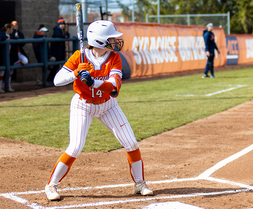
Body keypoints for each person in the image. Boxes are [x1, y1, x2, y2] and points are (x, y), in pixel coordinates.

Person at [44, 20, 153, 201]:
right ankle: (51, 186)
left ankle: (140, 183)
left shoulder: (113, 57)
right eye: (111, 38)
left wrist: (92, 81)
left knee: (131, 142)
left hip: (107, 105)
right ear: (99, 41)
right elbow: (57, 80)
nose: (115, 41)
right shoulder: (79, 57)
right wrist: (76, 73)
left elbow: (113, 85)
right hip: (83, 105)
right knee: (76, 147)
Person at [48, 18, 70, 85]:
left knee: (60, 66)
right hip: (56, 51)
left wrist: (65, 35)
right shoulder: (56, 29)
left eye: (63, 24)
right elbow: (58, 35)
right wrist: (64, 36)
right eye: (61, 24)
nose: (62, 25)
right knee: (56, 66)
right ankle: (50, 79)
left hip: (61, 51)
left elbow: (68, 35)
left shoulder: (63, 31)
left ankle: (55, 80)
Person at [9, 20, 29, 91]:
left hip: (19, 53)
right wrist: (14, 33)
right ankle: (8, 86)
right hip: (12, 53)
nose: (15, 27)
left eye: (16, 26)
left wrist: (18, 37)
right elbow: (11, 38)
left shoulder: (20, 33)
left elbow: (23, 43)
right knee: (10, 72)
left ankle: (13, 65)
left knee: (25, 61)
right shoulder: (10, 33)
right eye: (13, 26)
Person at [0, 23, 14, 93]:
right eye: (12, 29)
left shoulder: (12, 35)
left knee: (9, 70)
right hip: (1, 56)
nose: (13, 30)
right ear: (8, 29)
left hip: (9, 55)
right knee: (0, 71)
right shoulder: (2, 35)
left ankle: (8, 86)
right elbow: (1, 37)